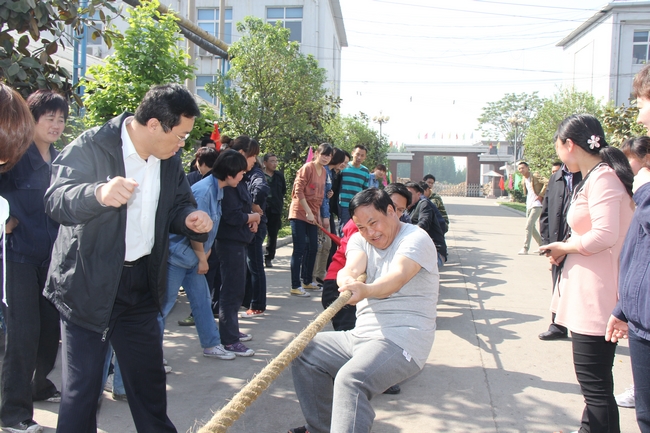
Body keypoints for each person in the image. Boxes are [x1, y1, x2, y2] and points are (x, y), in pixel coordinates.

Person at [43, 84, 213, 433]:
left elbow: (178, 205)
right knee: (83, 388)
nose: (182, 144)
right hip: (89, 282)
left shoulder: (167, 160)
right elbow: (56, 200)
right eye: (180, 136)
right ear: (154, 125)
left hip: (140, 284)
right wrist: (97, 193)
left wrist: (189, 219)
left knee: (148, 382)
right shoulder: (93, 145)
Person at [289, 188, 439, 433]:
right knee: (304, 351)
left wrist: (366, 290)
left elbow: (397, 277)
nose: (370, 233)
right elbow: (351, 267)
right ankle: (321, 428)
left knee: (351, 380)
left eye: (373, 223)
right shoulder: (360, 239)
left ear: (391, 211)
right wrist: (346, 281)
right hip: (361, 336)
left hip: (403, 341)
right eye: (361, 227)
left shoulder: (416, 238)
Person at [540, 114, 634, 433]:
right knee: (594, 386)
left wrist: (566, 247)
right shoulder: (595, 176)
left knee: (595, 388)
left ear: (569, 145)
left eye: (557, 144)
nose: (557, 151)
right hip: (589, 290)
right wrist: (565, 249)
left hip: (597, 294)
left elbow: (605, 235)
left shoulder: (602, 178)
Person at [0, 90, 68, 433]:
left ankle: (38, 385)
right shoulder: (13, 155)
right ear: (30, 119)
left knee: (49, 332)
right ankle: (13, 414)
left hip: (51, 259)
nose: (56, 125)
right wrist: (5, 221)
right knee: (23, 335)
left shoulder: (61, 161)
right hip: (18, 258)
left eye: (61, 119)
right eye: (49, 118)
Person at [159, 149, 249, 361]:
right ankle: (151, 356)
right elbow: (195, 230)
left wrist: (203, 255)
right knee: (162, 307)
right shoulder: (204, 191)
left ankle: (211, 345)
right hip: (179, 257)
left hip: (193, 257)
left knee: (202, 302)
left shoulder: (217, 189)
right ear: (229, 173)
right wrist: (202, 258)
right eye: (241, 172)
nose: (243, 176)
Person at [606, 135, 650, 430]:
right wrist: (624, 309)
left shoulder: (644, 191)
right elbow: (638, 257)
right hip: (640, 317)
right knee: (645, 415)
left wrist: (645, 190)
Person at [216, 136, 261, 357]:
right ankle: (229, 339)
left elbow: (243, 207)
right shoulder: (228, 180)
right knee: (231, 290)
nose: (254, 161)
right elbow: (232, 215)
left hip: (240, 239)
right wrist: (251, 217)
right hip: (229, 241)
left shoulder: (239, 179)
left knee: (236, 288)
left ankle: (232, 330)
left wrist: (252, 219)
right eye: (253, 156)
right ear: (242, 153)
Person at [538, 161, 582, 341]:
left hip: (579, 243)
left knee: (579, 287)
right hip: (557, 242)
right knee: (558, 285)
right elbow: (546, 212)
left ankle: (581, 328)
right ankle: (558, 324)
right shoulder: (556, 178)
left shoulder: (588, 173)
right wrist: (549, 246)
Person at [288, 143, 332, 297]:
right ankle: (295, 285)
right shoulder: (307, 168)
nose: (325, 158)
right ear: (317, 154)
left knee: (313, 247)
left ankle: (307, 281)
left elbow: (320, 196)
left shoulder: (324, 172)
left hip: (313, 215)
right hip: (299, 213)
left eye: (328, 156)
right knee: (299, 249)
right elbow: (298, 191)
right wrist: (308, 212)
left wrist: (317, 215)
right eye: (323, 154)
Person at [241, 155, 270, 318]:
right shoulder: (245, 173)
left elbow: (261, 189)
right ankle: (247, 300)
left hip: (256, 225)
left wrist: (254, 205)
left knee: (255, 264)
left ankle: (258, 305)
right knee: (247, 264)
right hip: (249, 223)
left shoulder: (255, 174)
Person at [313, 148, 348, 284]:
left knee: (327, 246)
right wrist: (324, 216)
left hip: (327, 212)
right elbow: (320, 196)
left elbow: (327, 195)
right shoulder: (324, 171)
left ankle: (321, 275)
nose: (344, 164)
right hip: (320, 214)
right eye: (343, 161)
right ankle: (313, 276)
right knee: (320, 246)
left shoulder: (332, 173)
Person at [404, 181, 447, 267]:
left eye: (410, 194)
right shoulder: (406, 209)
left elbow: (424, 223)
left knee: (406, 268)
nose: (407, 197)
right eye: (405, 195)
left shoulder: (424, 204)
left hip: (434, 254)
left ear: (418, 194)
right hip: (418, 251)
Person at [517, 161, 548, 255]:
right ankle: (542, 246)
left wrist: (541, 195)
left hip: (537, 205)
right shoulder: (523, 179)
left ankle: (525, 248)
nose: (521, 170)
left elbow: (547, 182)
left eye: (523, 168)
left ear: (527, 168)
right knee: (532, 228)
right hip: (529, 205)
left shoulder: (535, 176)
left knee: (528, 226)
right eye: (519, 168)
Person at [263, 153, 287, 268]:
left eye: (276, 161)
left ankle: (269, 257)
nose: (275, 164)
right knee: (260, 233)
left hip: (275, 208)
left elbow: (283, 190)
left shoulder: (279, 176)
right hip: (263, 208)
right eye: (272, 161)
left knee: (273, 235)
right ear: (265, 163)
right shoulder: (260, 175)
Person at [338, 145, 369, 231]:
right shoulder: (344, 167)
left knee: (356, 230)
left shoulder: (365, 171)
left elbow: (365, 191)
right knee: (343, 229)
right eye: (357, 154)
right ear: (352, 153)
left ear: (365, 157)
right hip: (344, 205)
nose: (359, 157)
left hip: (357, 206)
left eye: (362, 155)